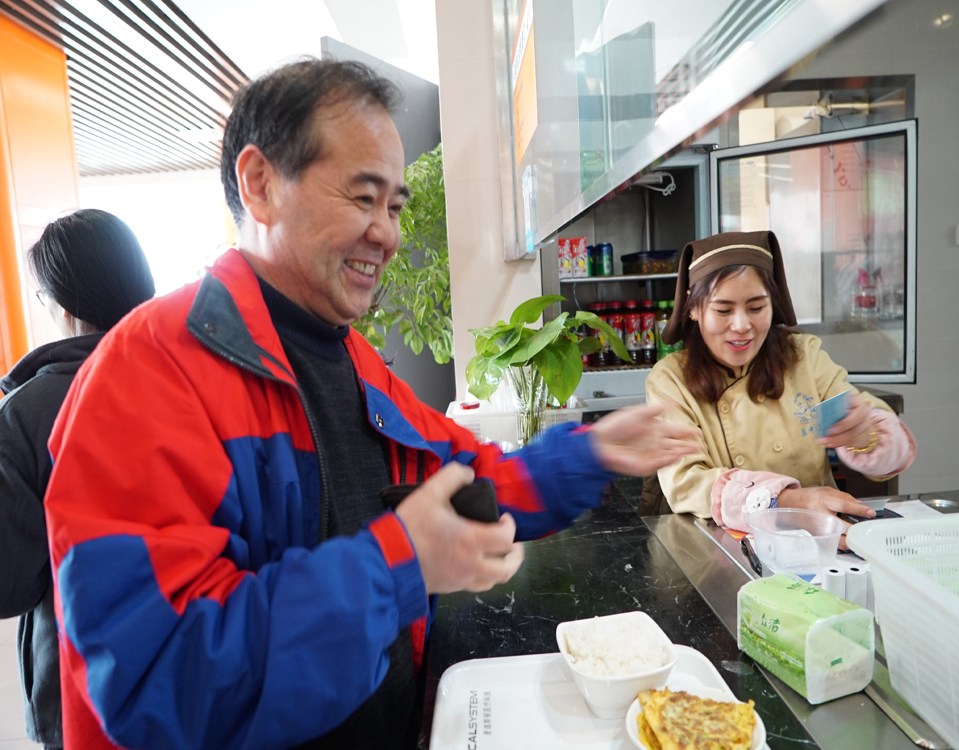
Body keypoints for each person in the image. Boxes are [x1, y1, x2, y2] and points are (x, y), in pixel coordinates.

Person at [42, 60, 698, 750]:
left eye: (395, 207)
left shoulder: (350, 360)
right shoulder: (148, 372)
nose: (386, 233)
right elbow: (158, 679)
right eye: (363, 198)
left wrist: (588, 454)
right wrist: (396, 565)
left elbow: (466, 481)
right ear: (259, 184)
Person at [0, 209, 155, 750]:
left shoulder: (29, 411)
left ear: (63, 306)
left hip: (80, 696)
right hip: (198, 668)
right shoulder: (195, 384)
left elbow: (9, 583)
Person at [644, 230, 916, 532]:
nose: (741, 325)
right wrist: (785, 502)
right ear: (693, 308)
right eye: (723, 310)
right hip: (724, 547)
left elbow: (882, 439)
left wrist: (866, 435)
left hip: (819, 538)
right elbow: (686, 482)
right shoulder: (671, 379)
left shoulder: (804, 356)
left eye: (756, 308)